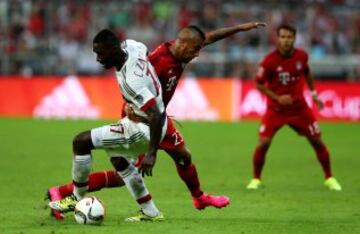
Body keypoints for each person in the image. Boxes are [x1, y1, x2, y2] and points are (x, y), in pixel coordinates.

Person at [47, 22, 266, 220]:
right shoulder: (158, 61)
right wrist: (130, 108)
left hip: (157, 117)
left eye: (198, 48)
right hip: (144, 120)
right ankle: (66, 192)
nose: (196, 54)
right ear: (182, 44)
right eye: (194, 49)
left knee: (184, 157)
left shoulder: (170, 48)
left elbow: (206, 37)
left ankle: (198, 197)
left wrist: (239, 28)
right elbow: (137, 84)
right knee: (121, 172)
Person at [49, 29, 169, 222]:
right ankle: (150, 211)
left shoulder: (132, 82)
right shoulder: (132, 45)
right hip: (147, 122)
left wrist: (151, 153)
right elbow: (146, 54)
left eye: (100, 53)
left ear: (114, 49)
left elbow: (154, 114)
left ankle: (75, 198)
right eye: (96, 53)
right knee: (118, 159)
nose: (97, 59)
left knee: (81, 142)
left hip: (145, 129)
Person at [246, 24, 342, 191]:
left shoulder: (302, 56)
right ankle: (256, 179)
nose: (285, 40)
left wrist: (313, 94)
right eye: (282, 37)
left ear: (294, 39)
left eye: (289, 37)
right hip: (275, 109)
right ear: (278, 38)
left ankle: (329, 178)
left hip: (299, 109)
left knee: (317, 141)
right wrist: (277, 98)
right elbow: (259, 84)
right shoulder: (269, 61)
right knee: (263, 143)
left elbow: (306, 72)